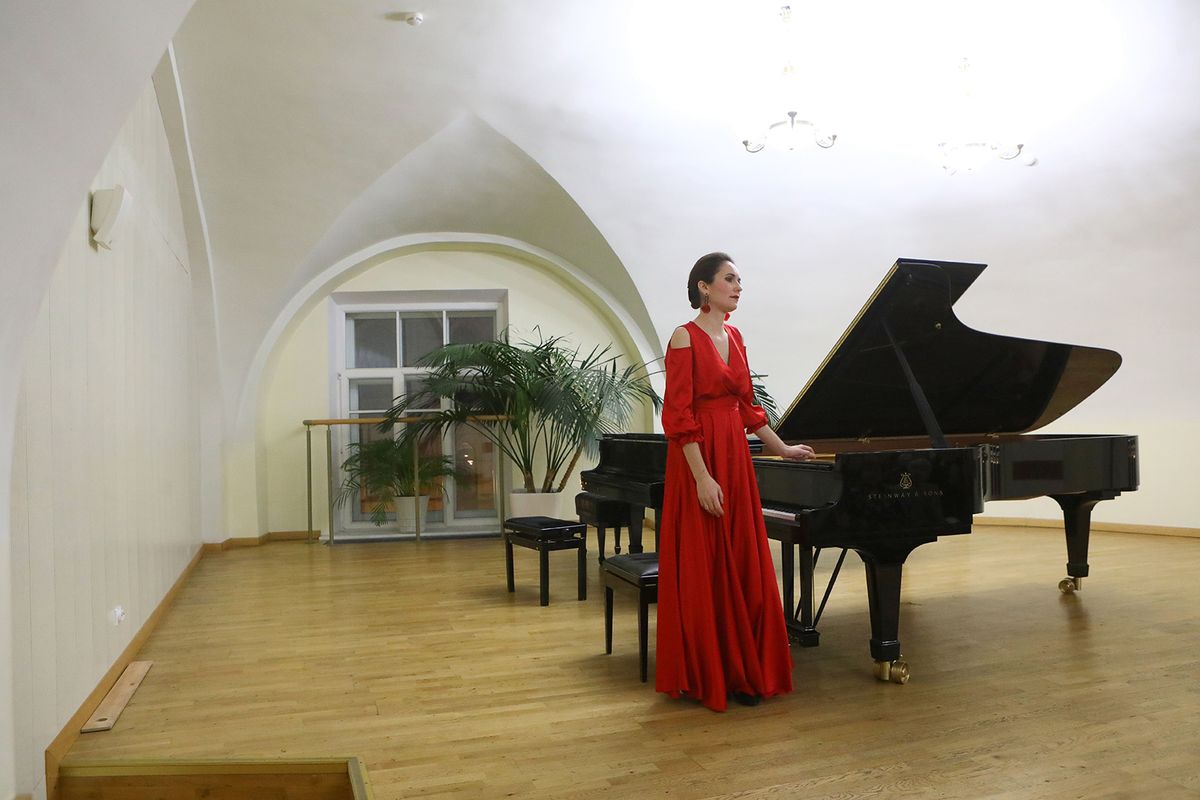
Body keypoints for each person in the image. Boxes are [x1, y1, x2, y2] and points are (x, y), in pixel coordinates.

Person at [656, 252, 815, 712]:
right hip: (699, 459)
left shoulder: (736, 336)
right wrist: (702, 478)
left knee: (744, 557)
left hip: (735, 456)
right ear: (704, 287)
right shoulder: (684, 337)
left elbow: (747, 407)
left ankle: (745, 671)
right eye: (729, 279)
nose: (738, 287)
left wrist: (781, 448)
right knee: (707, 561)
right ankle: (710, 673)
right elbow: (678, 415)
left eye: (740, 280)